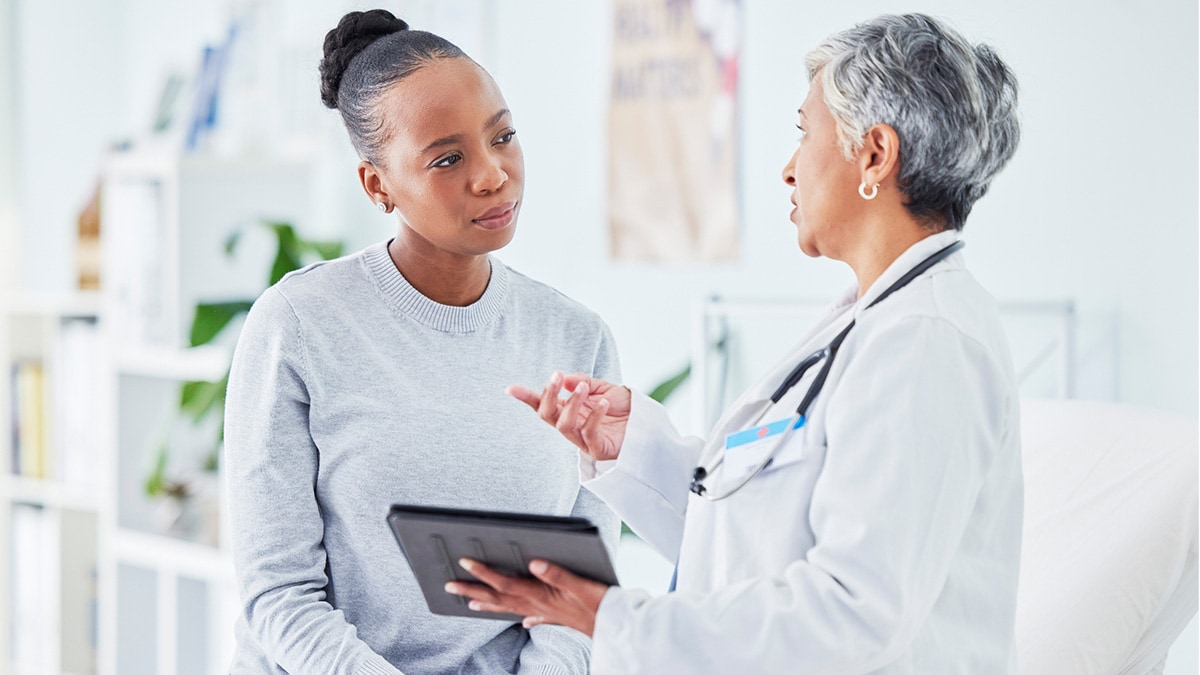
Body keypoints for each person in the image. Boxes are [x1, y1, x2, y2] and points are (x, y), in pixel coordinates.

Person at [447, 13, 1024, 673]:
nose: (788, 168)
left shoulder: (926, 341)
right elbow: (752, 544)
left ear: (874, 155)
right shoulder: (871, 324)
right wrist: (638, 447)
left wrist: (610, 617)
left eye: (805, 133)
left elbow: (855, 615)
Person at [223, 9, 620, 674]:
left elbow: (576, 597)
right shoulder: (298, 324)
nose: (493, 174)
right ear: (378, 185)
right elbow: (280, 595)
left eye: (504, 136)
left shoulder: (577, 337)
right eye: (447, 158)